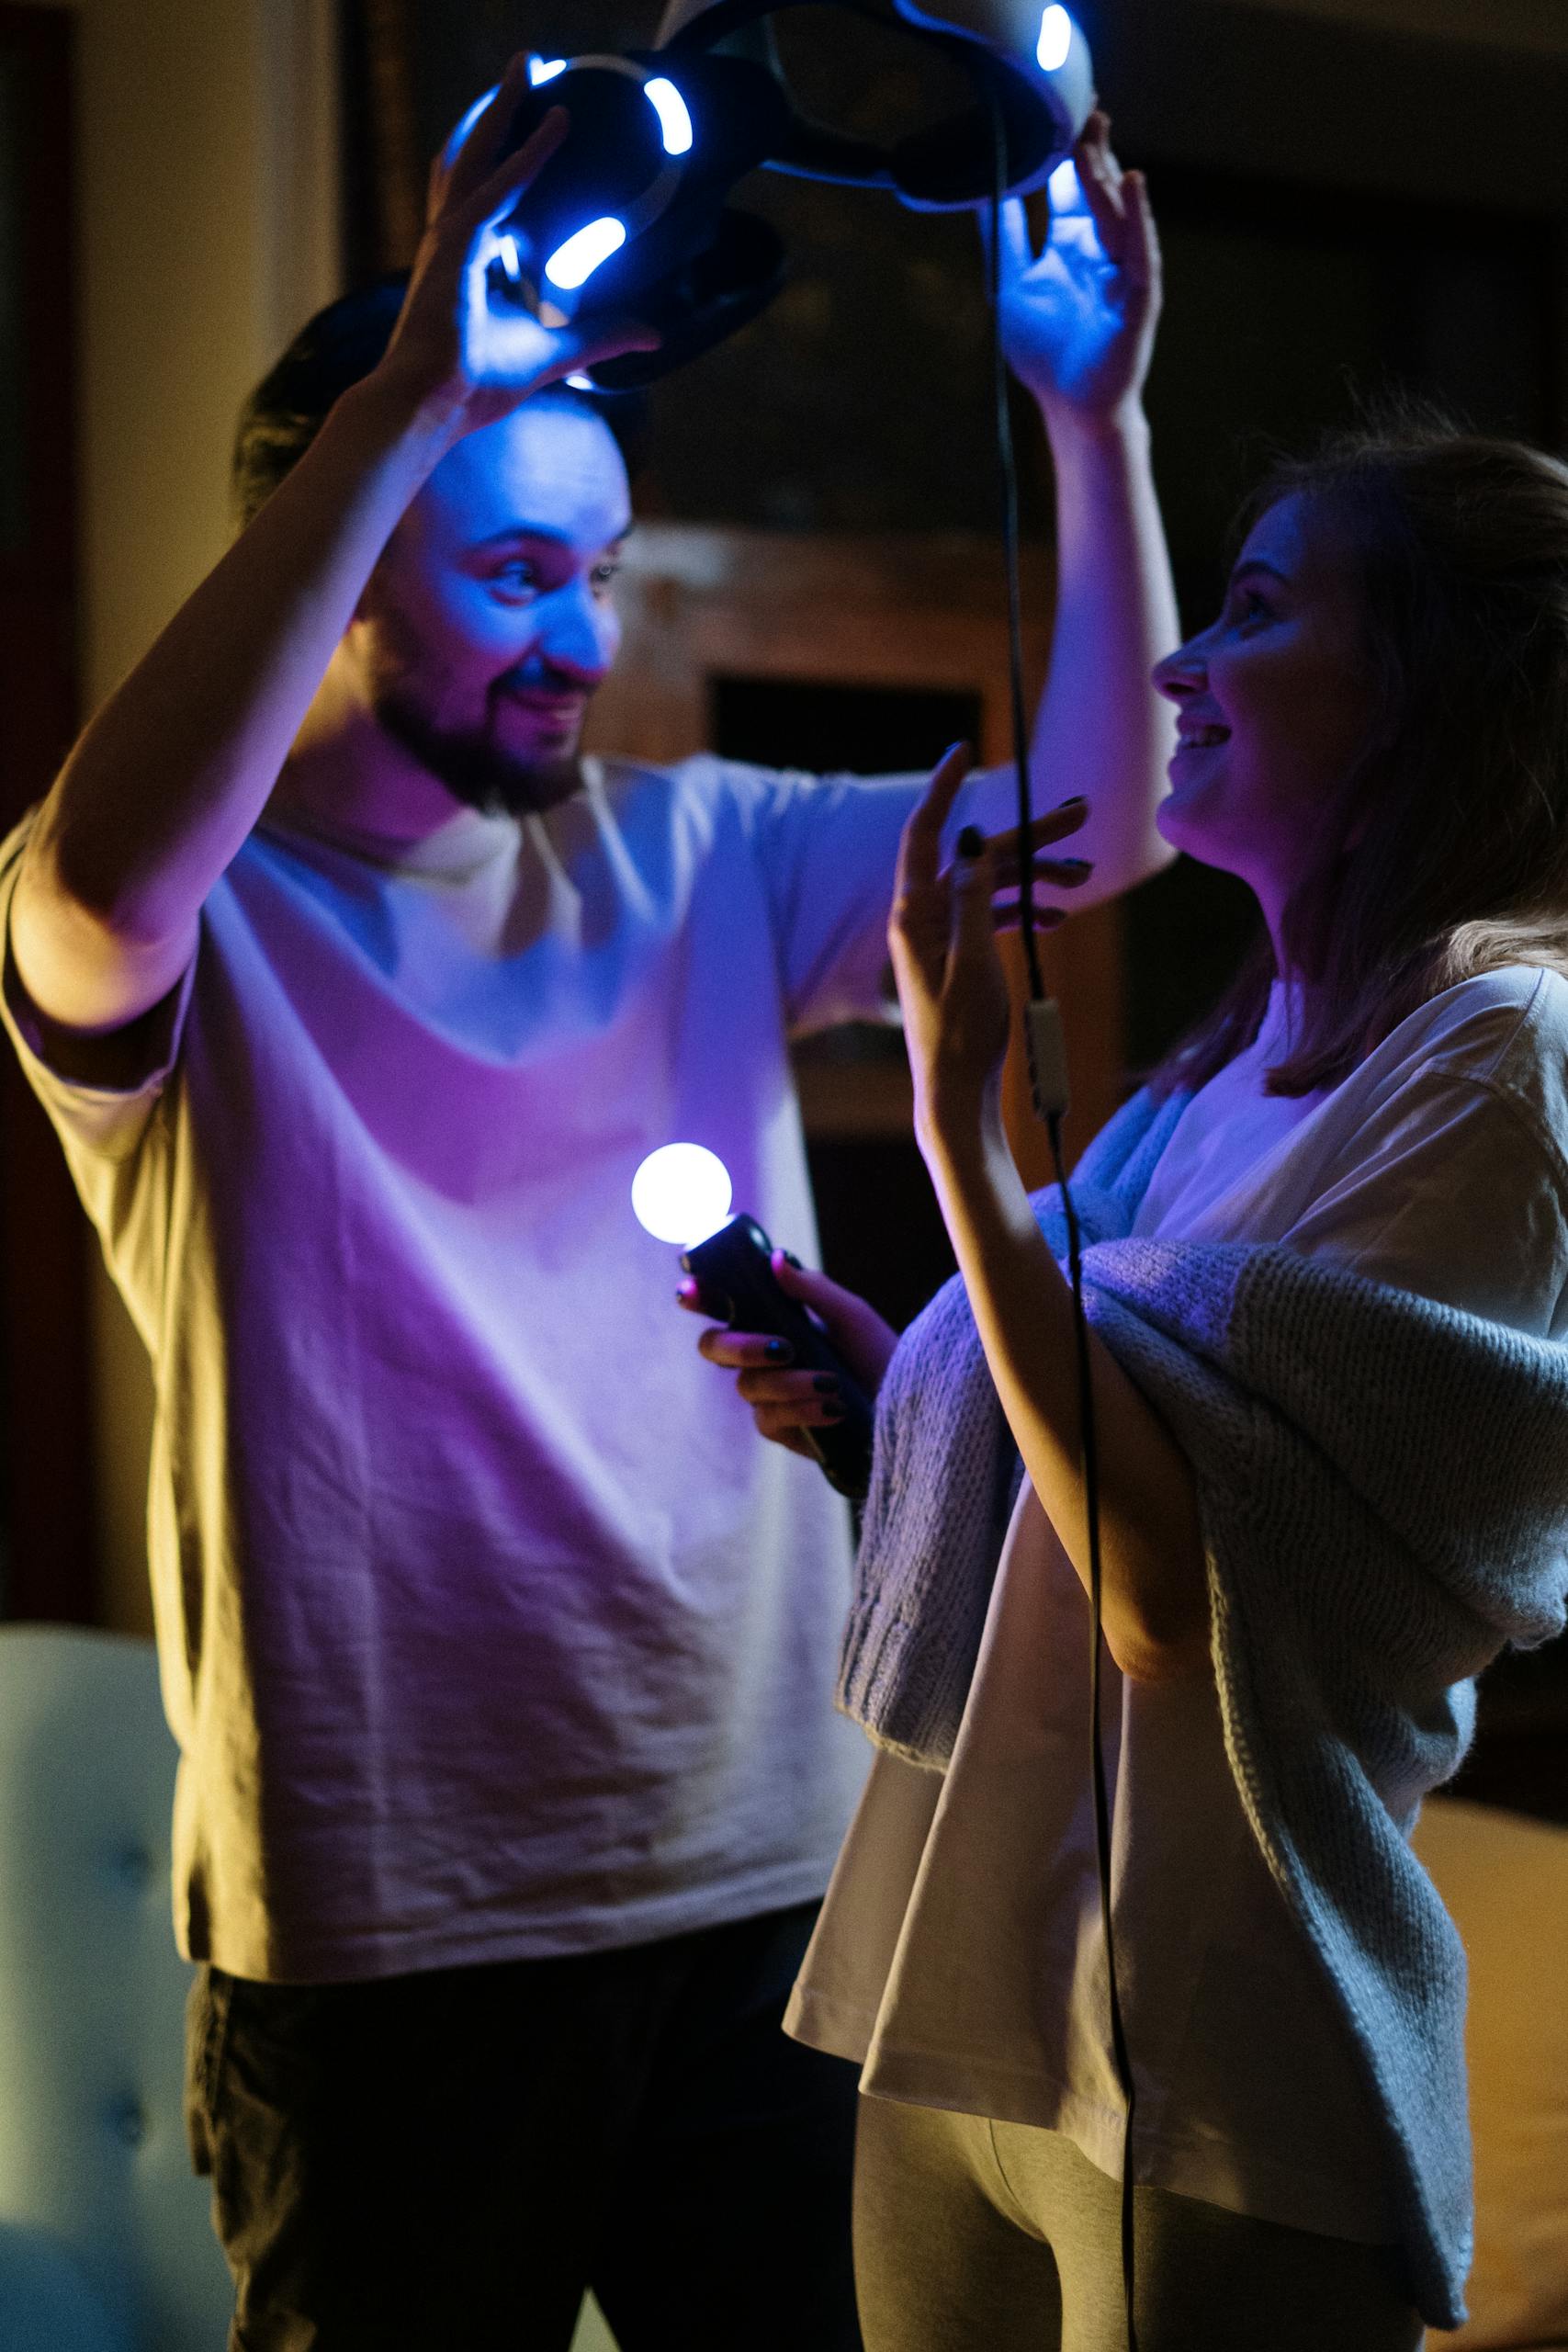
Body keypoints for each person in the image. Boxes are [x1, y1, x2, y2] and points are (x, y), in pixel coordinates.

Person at [0, 54, 1177, 2352]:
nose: (579, 634)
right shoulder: (196, 917)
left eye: (605, 575)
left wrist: (1091, 426)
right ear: (345, 553)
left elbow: (1098, 829)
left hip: (766, 1880)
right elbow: (92, 878)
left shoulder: (697, 851)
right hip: (386, 1936)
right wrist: (405, 391)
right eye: (516, 567)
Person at [693, 418, 1568, 2351]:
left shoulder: (1496, 1064)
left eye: (1250, 610)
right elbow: (1060, 1419)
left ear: (1431, 687)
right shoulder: (1214, 1065)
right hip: (952, 1981)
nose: (1177, 666)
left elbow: (1170, 1594)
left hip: (1210, 2046)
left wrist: (952, 1123)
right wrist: (892, 1392)